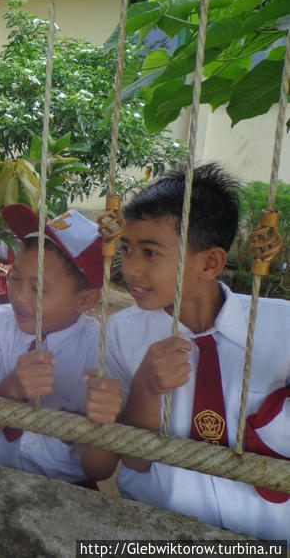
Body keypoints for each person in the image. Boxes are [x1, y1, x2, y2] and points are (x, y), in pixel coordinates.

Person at [106, 163, 290, 540]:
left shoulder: (282, 330)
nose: (132, 269)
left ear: (210, 263)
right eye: (126, 249)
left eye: (150, 252)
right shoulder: (122, 333)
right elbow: (134, 459)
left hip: (268, 534)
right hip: (158, 530)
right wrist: (145, 388)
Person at [0, 203, 122, 485]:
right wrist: (12, 387)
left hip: (72, 488)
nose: (18, 296)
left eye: (38, 288)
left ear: (86, 300)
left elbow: (99, 471)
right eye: (15, 279)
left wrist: (102, 419)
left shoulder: (103, 349)